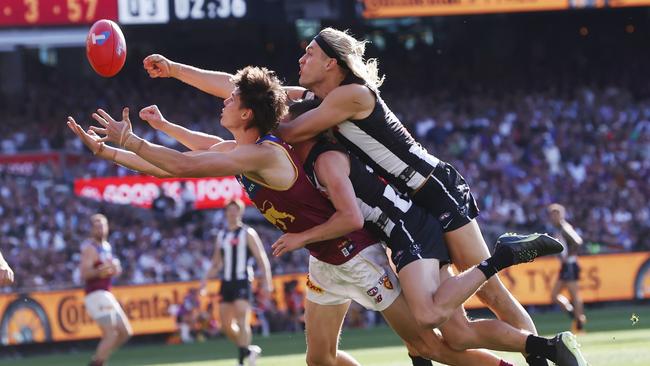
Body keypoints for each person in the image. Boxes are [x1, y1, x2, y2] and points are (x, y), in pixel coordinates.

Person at [69, 65, 519, 365]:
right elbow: (169, 165)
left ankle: (523, 355)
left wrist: (133, 141)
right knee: (319, 360)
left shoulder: (264, 155)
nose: (221, 104)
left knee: (430, 344)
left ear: (247, 112)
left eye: (229, 101)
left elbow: (184, 165)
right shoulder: (241, 149)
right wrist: (109, 151)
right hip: (324, 260)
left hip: (354, 255)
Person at [273, 27, 586, 366]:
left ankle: (534, 335)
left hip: (435, 190)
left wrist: (255, 121)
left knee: (490, 291)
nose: (301, 59)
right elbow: (258, 93)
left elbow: (288, 129)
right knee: (453, 330)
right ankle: (545, 350)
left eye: (310, 54)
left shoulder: (351, 94)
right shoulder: (324, 101)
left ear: (332, 63)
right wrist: (224, 86)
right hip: (412, 205)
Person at [199, 198, 273, 366]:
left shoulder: (247, 233)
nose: (232, 213)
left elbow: (261, 258)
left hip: (242, 280)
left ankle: (241, 361)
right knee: (226, 325)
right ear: (225, 213)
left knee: (242, 317)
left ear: (240, 212)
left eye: (236, 210)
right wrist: (204, 281)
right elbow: (216, 263)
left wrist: (267, 282)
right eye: (229, 210)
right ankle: (248, 350)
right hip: (226, 282)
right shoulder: (222, 235)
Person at [79, 214, 132, 366]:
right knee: (110, 334)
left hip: (106, 293)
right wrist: (104, 270)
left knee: (125, 332)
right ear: (91, 229)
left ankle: (98, 361)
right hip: (96, 294)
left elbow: (113, 270)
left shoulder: (107, 246)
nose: (101, 229)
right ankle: (98, 362)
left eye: (103, 225)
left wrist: (115, 269)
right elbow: (85, 274)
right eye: (97, 226)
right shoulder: (90, 248)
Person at [548, 203, 587, 333]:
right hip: (565, 265)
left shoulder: (564, 227)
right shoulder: (558, 229)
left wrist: (568, 256)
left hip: (570, 264)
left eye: (555, 214)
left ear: (560, 215)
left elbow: (577, 242)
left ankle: (579, 322)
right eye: (552, 215)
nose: (553, 217)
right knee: (554, 295)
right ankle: (572, 313)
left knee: (574, 294)